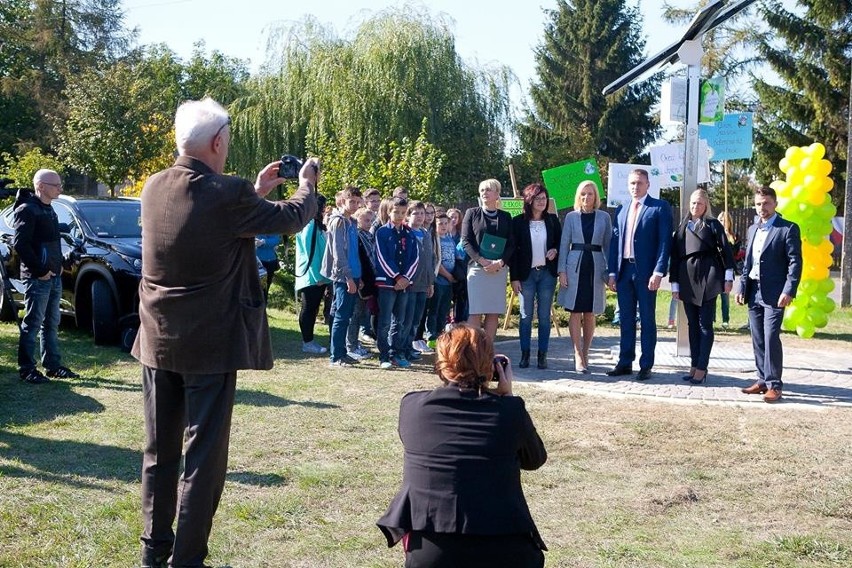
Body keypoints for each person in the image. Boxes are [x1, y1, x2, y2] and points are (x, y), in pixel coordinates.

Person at [132, 97, 318, 568]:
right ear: (218, 142)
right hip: (209, 345)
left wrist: (254, 191)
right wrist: (306, 185)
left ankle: (155, 552)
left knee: (159, 453)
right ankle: (187, 559)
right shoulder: (227, 193)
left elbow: (210, 227)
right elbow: (292, 218)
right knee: (203, 462)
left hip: (158, 339)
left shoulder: (153, 187)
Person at [377, 324, 547, 568]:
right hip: (506, 548)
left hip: (432, 550)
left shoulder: (412, 406)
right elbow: (535, 460)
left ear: (442, 364)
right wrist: (507, 397)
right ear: (490, 365)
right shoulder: (510, 411)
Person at [12, 169, 80, 384]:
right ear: (41, 186)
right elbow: (20, 244)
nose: (60, 188)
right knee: (32, 323)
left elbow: (51, 242)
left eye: (60, 184)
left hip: (53, 277)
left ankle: (52, 366)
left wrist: (59, 265)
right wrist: (40, 271)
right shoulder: (27, 209)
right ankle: (27, 369)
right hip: (37, 278)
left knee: (51, 323)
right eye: (56, 184)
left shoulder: (50, 210)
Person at [736, 186, 802, 403]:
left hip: (775, 294)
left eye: (765, 203)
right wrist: (742, 287)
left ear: (775, 203)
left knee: (771, 337)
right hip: (754, 292)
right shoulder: (752, 229)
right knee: (757, 338)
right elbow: (748, 263)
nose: (761, 208)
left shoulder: (788, 228)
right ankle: (762, 380)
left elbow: (795, 263)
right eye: (758, 204)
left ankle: (775, 385)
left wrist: (789, 290)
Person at [606, 168, 672, 380]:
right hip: (624, 271)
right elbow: (615, 243)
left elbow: (664, 242)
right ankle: (625, 362)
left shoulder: (659, 208)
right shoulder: (622, 209)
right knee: (625, 319)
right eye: (632, 183)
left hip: (646, 273)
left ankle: (646, 365)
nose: (636, 187)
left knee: (647, 319)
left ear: (648, 185)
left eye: (640, 183)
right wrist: (613, 272)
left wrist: (659, 271)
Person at [669, 190, 735, 385]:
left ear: (706, 205)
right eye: (692, 203)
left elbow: (726, 251)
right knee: (691, 324)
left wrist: (728, 277)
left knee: (705, 324)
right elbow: (675, 255)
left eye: (699, 203)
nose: (695, 207)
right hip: (687, 276)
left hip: (709, 274)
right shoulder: (683, 225)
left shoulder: (713, 225)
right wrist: (674, 283)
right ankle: (693, 364)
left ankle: (702, 367)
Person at [556, 180, 611, 373]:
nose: (587, 197)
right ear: (578, 197)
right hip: (574, 266)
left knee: (589, 311)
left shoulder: (604, 217)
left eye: (590, 194)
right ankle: (577, 354)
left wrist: (611, 272)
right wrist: (561, 270)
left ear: (596, 196)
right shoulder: (571, 217)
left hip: (595, 267)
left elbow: (609, 246)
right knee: (575, 310)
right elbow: (564, 244)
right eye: (583, 194)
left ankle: (586, 352)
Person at [510, 183, 561, 370]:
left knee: (544, 316)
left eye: (544, 198)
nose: (542, 202)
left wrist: (555, 250)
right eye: (538, 198)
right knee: (525, 315)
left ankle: (542, 355)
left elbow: (560, 243)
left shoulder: (553, 220)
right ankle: (525, 355)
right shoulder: (518, 222)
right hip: (526, 275)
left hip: (547, 274)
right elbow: (513, 253)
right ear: (529, 200)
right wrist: (514, 278)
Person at [461, 179, 516, 341]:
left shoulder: (506, 217)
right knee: (476, 311)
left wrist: (501, 262)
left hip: (498, 270)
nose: (485, 193)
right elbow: (466, 241)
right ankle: (473, 351)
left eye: (489, 190)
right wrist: (482, 261)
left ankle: (488, 349)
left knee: (493, 311)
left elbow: (512, 244)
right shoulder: (472, 213)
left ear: (497, 194)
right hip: (478, 270)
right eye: (482, 190)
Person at [374, 196, 419, 369]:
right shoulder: (382, 232)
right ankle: (384, 355)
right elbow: (382, 257)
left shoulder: (410, 233)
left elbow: (415, 258)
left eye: (403, 212)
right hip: (387, 283)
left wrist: (406, 278)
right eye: (396, 212)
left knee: (399, 320)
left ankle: (396, 353)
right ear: (389, 212)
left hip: (405, 284)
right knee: (385, 320)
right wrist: (397, 276)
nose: (400, 216)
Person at [321, 186, 363, 368]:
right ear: (342, 201)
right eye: (351, 201)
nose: (354, 205)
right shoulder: (338, 222)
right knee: (341, 315)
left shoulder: (351, 222)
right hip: (343, 276)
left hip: (354, 274)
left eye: (357, 201)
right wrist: (348, 278)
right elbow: (338, 253)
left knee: (345, 315)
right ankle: (336, 356)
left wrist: (358, 276)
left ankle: (343, 352)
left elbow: (354, 251)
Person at [294, 194, 330, 354]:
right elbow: (311, 254)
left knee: (312, 308)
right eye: (322, 207)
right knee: (309, 308)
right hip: (312, 276)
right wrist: (318, 277)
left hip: (317, 276)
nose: (324, 210)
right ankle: (307, 342)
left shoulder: (316, 225)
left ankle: (309, 340)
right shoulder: (309, 226)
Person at [403, 200, 436, 361]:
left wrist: (430, 282)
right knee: (406, 318)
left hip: (423, 283)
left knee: (416, 319)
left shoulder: (425, 234)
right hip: (408, 283)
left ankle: (409, 347)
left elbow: (431, 259)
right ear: (408, 215)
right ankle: (401, 348)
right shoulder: (404, 232)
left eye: (422, 213)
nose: (420, 216)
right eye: (416, 213)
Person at [346, 206, 377, 360]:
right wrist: (361, 279)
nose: (369, 223)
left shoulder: (368, 236)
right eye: (365, 220)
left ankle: (354, 342)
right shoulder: (357, 235)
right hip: (360, 279)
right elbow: (359, 259)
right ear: (357, 219)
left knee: (361, 313)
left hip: (369, 279)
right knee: (355, 314)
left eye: (371, 220)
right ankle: (350, 345)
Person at [425, 213, 457, 347]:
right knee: (434, 309)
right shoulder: (435, 239)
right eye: (440, 223)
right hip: (439, 280)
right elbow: (437, 261)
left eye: (445, 223)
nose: (443, 226)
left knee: (444, 310)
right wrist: (448, 275)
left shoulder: (450, 239)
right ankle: (431, 336)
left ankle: (441, 334)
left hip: (449, 283)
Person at [716, 210, 743, 328]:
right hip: (716, 268)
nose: (723, 222)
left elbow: (734, 253)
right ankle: (711, 319)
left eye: (725, 221)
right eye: (721, 220)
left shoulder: (734, 236)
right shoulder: (714, 233)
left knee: (725, 296)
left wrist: (728, 238)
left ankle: (725, 320)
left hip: (727, 270)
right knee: (712, 296)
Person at [254, 233, 281, 302]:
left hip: (270, 262)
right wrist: (268, 243)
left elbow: (276, 240)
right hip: (257, 261)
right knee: (255, 287)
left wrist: (263, 242)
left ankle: (263, 309)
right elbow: (254, 241)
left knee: (266, 288)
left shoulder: (273, 226)